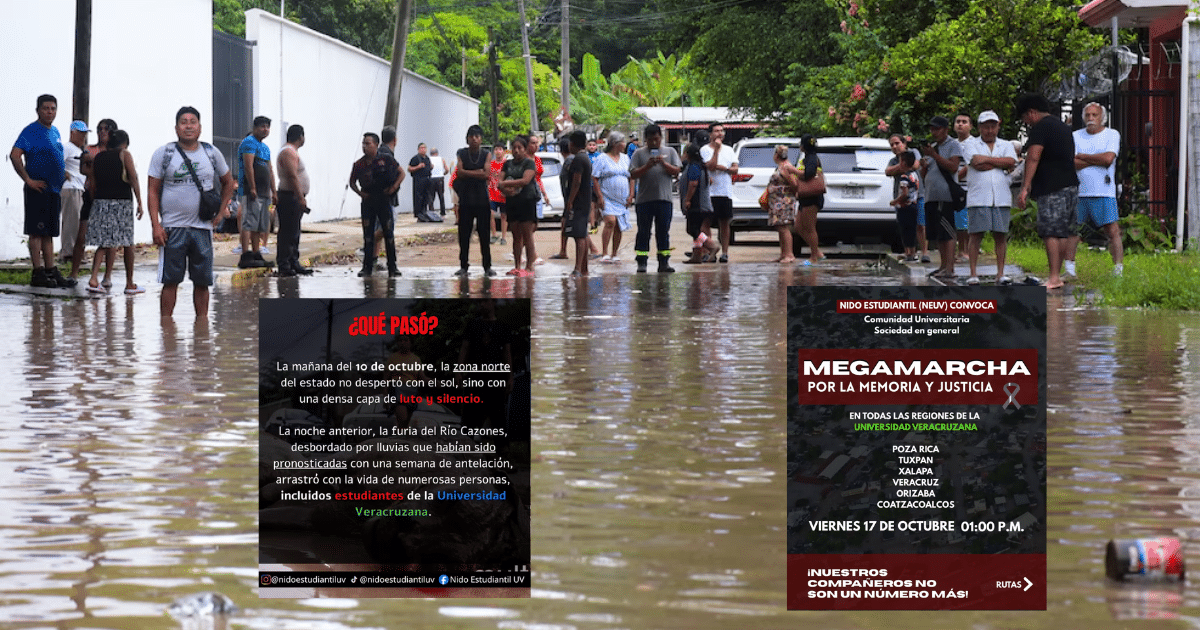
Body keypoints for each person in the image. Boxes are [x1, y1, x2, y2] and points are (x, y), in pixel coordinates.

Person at [147, 106, 235, 318]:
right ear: (176, 128)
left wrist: (222, 211)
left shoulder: (211, 153)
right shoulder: (164, 154)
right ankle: (166, 329)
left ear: (200, 127)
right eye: (183, 122)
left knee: (202, 281)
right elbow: (152, 190)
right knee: (170, 281)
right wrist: (156, 225)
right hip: (172, 228)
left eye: (192, 122)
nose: (188, 126)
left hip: (202, 228)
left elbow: (228, 182)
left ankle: (201, 329)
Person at [10, 94, 74, 288]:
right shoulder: (31, 131)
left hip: (54, 190)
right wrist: (28, 180)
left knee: (49, 233)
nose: (50, 112)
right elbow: (14, 155)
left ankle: (50, 270)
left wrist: (62, 172)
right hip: (37, 189)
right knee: (36, 232)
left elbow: (52, 156)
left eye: (53, 108)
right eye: (46, 108)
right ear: (38, 110)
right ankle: (37, 272)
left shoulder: (55, 132)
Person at [1016, 93, 1078, 290]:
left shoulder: (1041, 127)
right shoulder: (1063, 127)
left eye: (1024, 118)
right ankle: (1057, 275)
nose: (1026, 122)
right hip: (1071, 184)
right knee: (1063, 231)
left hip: (1051, 186)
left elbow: (1033, 157)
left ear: (1032, 113)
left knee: (1051, 231)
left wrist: (1025, 187)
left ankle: (1053, 277)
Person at [960, 111, 1017, 286]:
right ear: (979, 128)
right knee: (975, 235)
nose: (990, 130)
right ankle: (973, 274)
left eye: (993, 126)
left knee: (1000, 236)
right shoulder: (970, 144)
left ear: (998, 126)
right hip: (978, 197)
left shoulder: (1007, 144)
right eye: (986, 127)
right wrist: (999, 162)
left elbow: (1011, 162)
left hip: (1001, 196)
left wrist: (990, 162)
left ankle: (1000, 274)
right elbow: (976, 161)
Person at [85, 129, 145, 294]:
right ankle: (130, 283)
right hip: (121, 203)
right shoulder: (125, 155)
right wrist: (140, 201)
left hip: (101, 202)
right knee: (127, 243)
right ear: (124, 143)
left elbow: (93, 182)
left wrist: (94, 201)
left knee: (104, 243)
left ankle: (94, 278)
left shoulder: (99, 157)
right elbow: (133, 177)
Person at [1068, 102, 1123, 277]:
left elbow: (1108, 159)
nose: (1091, 119)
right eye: (1087, 115)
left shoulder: (1112, 134)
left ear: (1102, 117)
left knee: (1112, 231)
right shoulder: (1075, 135)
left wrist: (1083, 157)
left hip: (1104, 191)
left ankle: (1118, 270)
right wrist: (1095, 160)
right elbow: (1071, 163)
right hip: (1079, 191)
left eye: (1094, 115)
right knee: (1073, 231)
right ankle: (1069, 269)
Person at [629, 124, 682, 273]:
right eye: (650, 140)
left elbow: (676, 171)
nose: (654, 143)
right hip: (644, 200)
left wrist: (663, 163)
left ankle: (664, 262)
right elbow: (633, 174)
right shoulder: (639, 154)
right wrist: (647, 166)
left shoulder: (670, 151)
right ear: (645, 139)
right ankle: (641, 262)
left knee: (663, 231)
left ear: (661, 138)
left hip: (664, 200)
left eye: (656, 139)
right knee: (643, 232)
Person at [349, 132, 402, 277]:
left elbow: (401, 173)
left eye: (368, 143)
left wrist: (393, 188)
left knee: (388, 233)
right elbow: (352, 182)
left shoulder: (386, 159)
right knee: (368, 236)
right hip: (368, 201)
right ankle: (367, 267)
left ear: (376, 145)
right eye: (363, 144)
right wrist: (360, 193)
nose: (365, 147)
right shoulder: (359, 164)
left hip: (384, 200)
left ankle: (393, 266)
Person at [919, 116, 964, 278]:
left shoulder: (953, 145)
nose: (934, 132)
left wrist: (934, 155)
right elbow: (925, 174)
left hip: (945, 196)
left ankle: (950, 268)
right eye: (932, 129)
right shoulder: (933, 147)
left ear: (945, 129)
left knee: (947, 232)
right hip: (931, 195)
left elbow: (953, 167)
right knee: (937, 234)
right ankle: (943, 265)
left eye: (937, 129)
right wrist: (924, 166)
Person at [450, 125, 494, 277]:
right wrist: (478, 172)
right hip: (466, 200)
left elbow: (487, 174)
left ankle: (487, 266)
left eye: (477, 136)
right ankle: (463, 266)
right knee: (464, 235)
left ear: (481, 139)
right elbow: (459, 172)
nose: (474, 139)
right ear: (467, 139)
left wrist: (468, 173)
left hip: (482, 199)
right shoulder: (462, 153)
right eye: (471, 136)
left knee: (484, 235)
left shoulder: (486, 154)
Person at [236, 116, 276, 268]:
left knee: (260, 224)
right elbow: (248, 166)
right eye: (262, 126)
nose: (265, 129)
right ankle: (246, 255)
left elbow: (270, 170)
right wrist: (252, 187)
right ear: (254, 128)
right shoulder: (249, 143)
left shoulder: (265, 148)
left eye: (267, 126)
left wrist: (274, 191)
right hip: (250, 190)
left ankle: (256, 253)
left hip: (264, 192)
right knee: (249, 222)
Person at [499, 136, 538, 276]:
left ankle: (529, 266)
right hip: (512, 202)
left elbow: (525, 180)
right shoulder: (507, 164)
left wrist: (505, 184)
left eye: (519, 148)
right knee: (515, 235)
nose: (516, 151)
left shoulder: (529, 163)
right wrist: (504, 189)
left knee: (527, 235)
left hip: (527, 201)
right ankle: (517, 265)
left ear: (525, 149)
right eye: (514, 148)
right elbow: (499, 181)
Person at [886, 134, 929, 262]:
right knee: (905, 225)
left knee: (920, 224)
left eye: (897, 143)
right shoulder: (894, 160)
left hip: (918, 195)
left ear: (904, 143)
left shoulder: (914, 152)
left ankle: (924, 252)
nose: (895, 147)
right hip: (901, 199)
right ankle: (909, 252)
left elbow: (916, 165)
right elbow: (888, 171)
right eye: (892, 145)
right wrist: (903, 166)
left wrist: (900, 167)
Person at [592, 131, 633, 263]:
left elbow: (632, 177)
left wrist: (631, 194)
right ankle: (605, 252)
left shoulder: (626, 158)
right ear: (615, 144)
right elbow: (595, 177)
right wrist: (599, 197)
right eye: (623, 142)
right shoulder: (602, 158)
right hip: (607, 197)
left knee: (619, 225)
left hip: (622, 198)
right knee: (610, 221)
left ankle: (614, 253)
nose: (624, 144)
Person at [276, 124, 311, 277]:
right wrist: (300, 197)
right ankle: (284, 264)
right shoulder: (288, 152)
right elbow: (292, 176)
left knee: (294, 231)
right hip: (290, 196)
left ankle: (293, 261)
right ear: (301, 137)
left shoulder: (291, 151)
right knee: (288, 232)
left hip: (293, 196)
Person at [701, 122, 738, 263]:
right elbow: (709, 166)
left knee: (724, 223)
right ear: (710, 134)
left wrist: (725, 169)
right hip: (709, 193)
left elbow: (735, 168)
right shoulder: (705, 149)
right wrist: (716, 150)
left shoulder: (729, 150)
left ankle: (725, 252)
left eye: (721, 131)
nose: (719, 133)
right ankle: (709, 251)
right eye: (716, 131)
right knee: (706, 223)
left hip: (725, 191)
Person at [682, 143, 721, 264]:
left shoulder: (694, 166)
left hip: (697, 204)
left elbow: (693, 183)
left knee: (692, 230)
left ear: (688, 154)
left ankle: (711, 245)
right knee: (696, 229)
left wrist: (688, 199)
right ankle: (696, 256)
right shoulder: (702, 166)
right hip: (704, 203)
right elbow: (710, 181)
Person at [563, 130, 593, 277]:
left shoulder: (578, 160)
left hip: (579, 202)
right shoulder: (585, 158)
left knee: (579, 235)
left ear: (573, 144)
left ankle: (577, 269)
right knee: (583, 234)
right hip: (584, 201)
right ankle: (584, 267)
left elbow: (576, 181)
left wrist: (570, 201)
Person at [59, 120, 89, 265]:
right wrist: (64, 173)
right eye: (81, 133)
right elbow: (57, 162)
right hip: (71, 188)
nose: (83, 136)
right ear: (73, 133)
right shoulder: (67, 147)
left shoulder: (80, 150)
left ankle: (74, 252)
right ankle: (68, 253)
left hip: (79, 188)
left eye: (85, 134)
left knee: (78, 222)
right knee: (71, 222)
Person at [794, 134, 826, 266]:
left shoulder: (812, 158)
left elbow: (809, 174)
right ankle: (817, 252)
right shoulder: (808, 157)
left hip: (812, 198)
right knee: (798, 227)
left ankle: (814, 257)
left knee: (810, 228)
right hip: (804, 198)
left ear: (804, 146)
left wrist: (793, 171)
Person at [888, 151, 920, 262]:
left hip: (905, 207)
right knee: (912, 230)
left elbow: (904, 194)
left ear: (903, 163)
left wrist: (895, 201)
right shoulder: (914, 175)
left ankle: (908, 253)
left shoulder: (904, 177)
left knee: (905, 230)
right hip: (914, 205)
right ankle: (913, 252)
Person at [952, 112, 974, 261]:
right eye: (958, 121)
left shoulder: (974, 143)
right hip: (953, 187)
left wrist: (956, 177)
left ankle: (966, 250)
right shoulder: (952, 143)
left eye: (964, 122)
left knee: (966, 220)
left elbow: (970, 164)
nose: (960, 124)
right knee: (958, 220)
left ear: (970, 126)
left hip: (968, 186)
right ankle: (960, 250)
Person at [486, 144, 508, 244]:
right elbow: (488, 179)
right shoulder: (491, 164)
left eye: (500, 149)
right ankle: (494, 235)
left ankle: (504, 237)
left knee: (504, 216)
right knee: (491, 214)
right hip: (492, 193)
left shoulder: (507, 164)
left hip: (503, 194)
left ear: (503, 151)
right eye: (496, 149)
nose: (498, 151)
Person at [408, 142, 433, 222]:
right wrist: (418, 167)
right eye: (421, 148)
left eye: (424, 148)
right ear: (418, 149)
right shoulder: (415, 158)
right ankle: (418, 214)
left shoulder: (427, 158)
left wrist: (431, 167)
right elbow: (409, 168)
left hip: (427, 180)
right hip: (419, 180)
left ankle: (424, 213)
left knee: (426, 197)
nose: (423, 149)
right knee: (418, 198)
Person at [429, 147, 449, 217]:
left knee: (431, 196)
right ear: (437, 153)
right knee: (441, 196)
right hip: (440, 179)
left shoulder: (429, 159)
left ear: (430, 153)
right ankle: (442, 212)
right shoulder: (442, 159)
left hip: (431, 179)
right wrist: (443, 174)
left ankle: (431, 211)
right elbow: (447, 169)